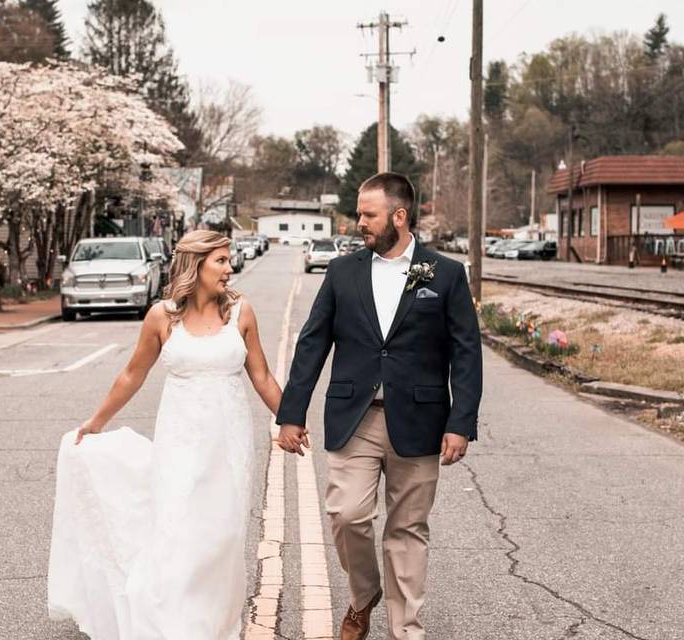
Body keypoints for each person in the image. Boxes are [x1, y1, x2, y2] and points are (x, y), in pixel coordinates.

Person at [47, 230, 285, 640]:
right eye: (221, 261)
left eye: (229, 261)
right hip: (180, 441)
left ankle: (216, 627)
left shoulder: (241, 313)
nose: (230, 269)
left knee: (223, 537)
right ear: (196, 265)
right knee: (179, 531)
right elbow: (132, 374)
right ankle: (174, 625)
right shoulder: (162, 316)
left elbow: (261, 375)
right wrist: (97, 421)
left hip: (229, 443)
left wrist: (291, 419)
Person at [275, 172, 483, 640]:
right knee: (347, 515)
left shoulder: (446, 274)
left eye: (367, 214)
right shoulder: (342, 272)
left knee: (408, 529)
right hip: (356, 417)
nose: (358, 223)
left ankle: (405, 629)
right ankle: (364, 596)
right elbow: (312, 344)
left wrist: (461, 422)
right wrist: (292, 413)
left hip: (422, 421)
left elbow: (466, 352)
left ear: (399, 216)